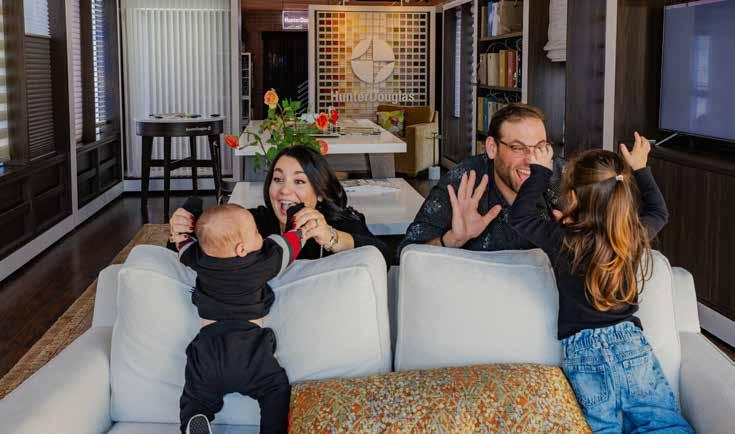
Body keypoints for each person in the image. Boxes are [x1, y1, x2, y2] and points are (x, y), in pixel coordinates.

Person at [508, 133, 693, 433]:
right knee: (662, 424)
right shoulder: (631, 237)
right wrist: (641, 167)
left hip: (583, 352)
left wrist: (539, 171)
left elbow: (521, 217)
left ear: (573, 197)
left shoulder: (563, 241)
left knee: (601, 428)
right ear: (621, 193)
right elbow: (659, 212)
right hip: (630, 345)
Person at [173, 198, 305, 434]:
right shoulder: (261, 264)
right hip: (250, 349)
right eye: (256, 232)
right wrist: (297, 214)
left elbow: (182, 243)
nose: (261, 236)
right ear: (241, 249)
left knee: (195, 396)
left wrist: (191, 208)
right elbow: (291, 244)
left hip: (208, 349)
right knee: (274, 390)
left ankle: (195, 417)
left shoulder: (200, 259)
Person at [169, 145, 391, 264]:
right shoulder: (254, 222)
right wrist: (180, 230)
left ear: (320, 192)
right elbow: (201, 245)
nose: (284, 190)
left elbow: (385, 256)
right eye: (278, 179)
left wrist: (332, 238)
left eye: (299, 181)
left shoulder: (337, 222)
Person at [398, 103, 564, 256]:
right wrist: (452, 240)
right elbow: (407, 256)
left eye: (540, 148)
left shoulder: (563, 181)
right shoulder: (464, 182)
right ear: (492, 148)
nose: (531, 160)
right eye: (517, 147)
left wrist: (573, 241)